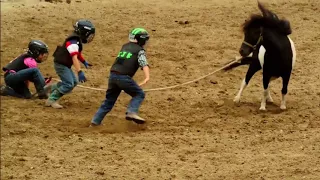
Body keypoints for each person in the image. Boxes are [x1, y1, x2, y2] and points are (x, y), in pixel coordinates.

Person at [90, 27, 151, 126]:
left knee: (108, 102)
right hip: (124, 78)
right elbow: (143, 63)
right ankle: (132, 112)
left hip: (113, 76)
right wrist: (147, 77)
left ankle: (95, 121)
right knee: (139, 94)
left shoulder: (125, 46)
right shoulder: (139, 51)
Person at [45, 19, 95, 109]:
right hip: (61, 65)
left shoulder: (75, 40)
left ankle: (51, 88)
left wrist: (84, 61)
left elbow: (77, 53)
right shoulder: (73, 41)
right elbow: (74, 57)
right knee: (68, 84)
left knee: (73, 82)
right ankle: (52, 100)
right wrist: (79, 72)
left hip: (64, 64)